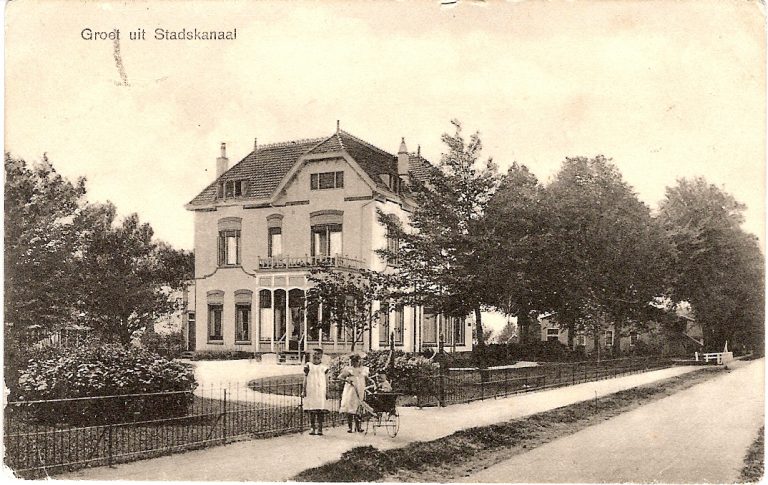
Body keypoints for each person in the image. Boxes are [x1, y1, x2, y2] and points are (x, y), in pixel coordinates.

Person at [338, 353, 372, 433]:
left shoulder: (363, 369)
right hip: (351, 390)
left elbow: (367, 378)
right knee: (350, 407)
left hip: (360, 389)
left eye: (357, 361)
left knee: (358, 407)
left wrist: (372, 381)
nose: (356, 363)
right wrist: (347, 380)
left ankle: (358, 427)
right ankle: (350, 427)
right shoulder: (349, 369)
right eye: (354, 361)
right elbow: (340, 377)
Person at [303, 348, 329, 436]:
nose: (315, 355)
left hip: (320, 390)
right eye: (314, 354)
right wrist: (304, 390)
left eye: (318, 354)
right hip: (311, 389)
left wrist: (327, 390)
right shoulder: (308, 365)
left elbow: (326, 379)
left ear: (321, 356)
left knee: (320, 409)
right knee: (312, 410)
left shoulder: (323, 367)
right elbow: (305, 378)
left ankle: (320, 428)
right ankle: (312, 427)